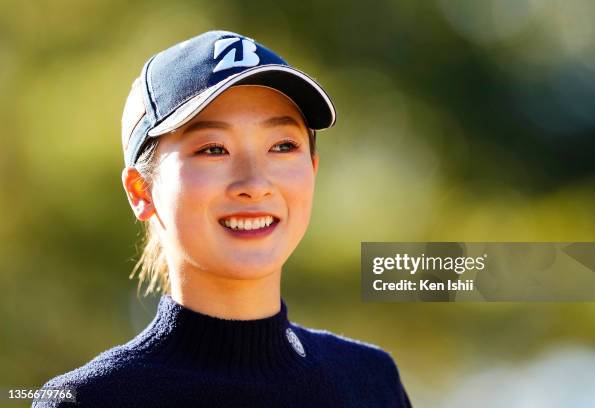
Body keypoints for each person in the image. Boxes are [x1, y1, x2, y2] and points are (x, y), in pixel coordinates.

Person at [34, 30, 412, 408]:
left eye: (282, 146)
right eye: (213, 149)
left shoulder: (370, 381)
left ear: (312, 169)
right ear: (140, 191)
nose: (254, 184)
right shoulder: (89, 400)